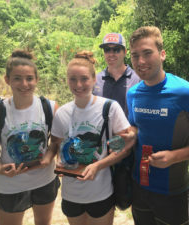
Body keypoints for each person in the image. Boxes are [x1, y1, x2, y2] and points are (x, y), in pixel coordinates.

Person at [127, 26, 189, 225]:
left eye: (147, 53)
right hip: (139, 186)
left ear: (162, 54)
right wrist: (126, 136)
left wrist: (174, 157)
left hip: (174, 192)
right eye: (135, 55)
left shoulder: (187, 93)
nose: (140, 61)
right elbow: (135, 128)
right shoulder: (133, 93)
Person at [49, 50, 136, 225]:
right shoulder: (62, 113)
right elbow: (57, 145)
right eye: (72, 79)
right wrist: (61, 162)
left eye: (84, 79)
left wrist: (98, 165)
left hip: (100, 193)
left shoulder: (109, 108)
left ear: (94, 79)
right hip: (70, 194)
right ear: (66, 80)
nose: (78, 84)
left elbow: (124, 147)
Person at [0, 49, 60, 225]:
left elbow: (55, 141)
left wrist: (48, 157)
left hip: (44, 180)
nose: (24, 84)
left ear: (36, 79)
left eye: (29, 78)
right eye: (17, 78)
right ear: (7, 80)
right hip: (10, 185)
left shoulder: (49, 107)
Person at [93, 32, 140, 115]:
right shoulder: (95, 80)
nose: (111, 54)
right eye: (107, 50)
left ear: (125, 52)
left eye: (116, 49)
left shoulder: (137, 79)